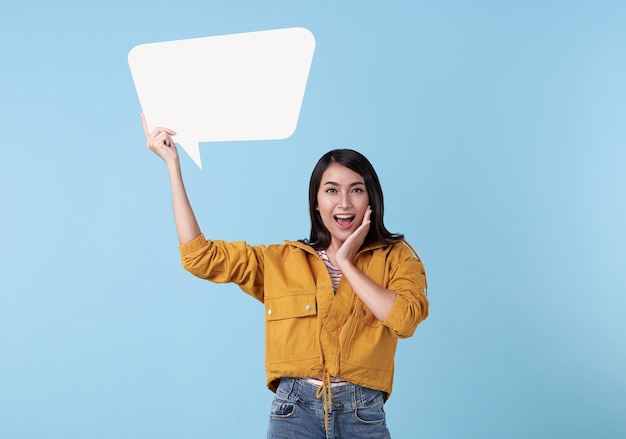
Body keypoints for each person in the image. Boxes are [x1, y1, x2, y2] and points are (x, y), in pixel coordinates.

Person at [142, 114, 429, 438]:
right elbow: (199, 257)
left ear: (371, 199)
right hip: (295, 412)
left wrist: (347, 263)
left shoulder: (397, 257)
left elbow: (405, 319)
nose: (344, 203)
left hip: (362, 413)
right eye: (332, 191)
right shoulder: (281, 262)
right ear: (317, 203)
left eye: (356, 190)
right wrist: (172, 166)